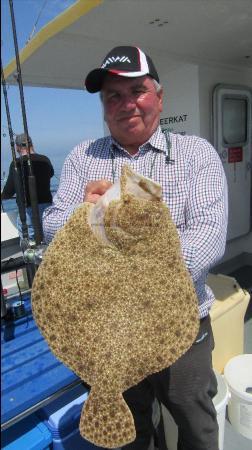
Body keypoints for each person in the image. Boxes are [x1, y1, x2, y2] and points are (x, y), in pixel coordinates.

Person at [43, 46, 228, 450]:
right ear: (104, 107)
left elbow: (209, 233)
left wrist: (137, 273)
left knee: (195, 422)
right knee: (130, 432)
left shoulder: (196, 155)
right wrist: (86, 213)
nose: (126, 103)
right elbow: (53, 226)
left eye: (137, 91)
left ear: (159, 97)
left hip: (179, 326)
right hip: (106, 332)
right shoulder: (81, 158)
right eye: (113, 95)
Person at [2, 133, 54, 242]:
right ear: (32, 144)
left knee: (30, 249)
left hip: (28, 213)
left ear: (17, 147)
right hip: (48, 211)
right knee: (49, 245)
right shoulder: (45, 160)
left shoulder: (16, 164)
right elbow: (51, 173)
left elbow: (8, 192)